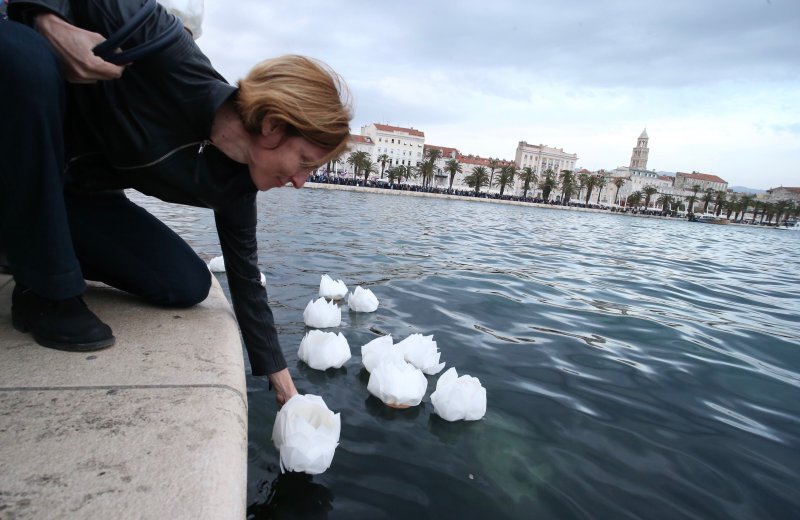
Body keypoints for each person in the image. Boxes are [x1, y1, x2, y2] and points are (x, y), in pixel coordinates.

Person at [0, 0, 352, 406]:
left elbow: (246, 280)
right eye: (305, 163)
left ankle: (21, 243)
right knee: (21, 52)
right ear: (273, 125)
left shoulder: (234, 186)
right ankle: (46, 292)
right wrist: (49, 22)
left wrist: (284, 386)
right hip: (23, 152)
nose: (300, 182)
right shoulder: (166, 50)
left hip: (77, 196)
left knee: (185, 284)